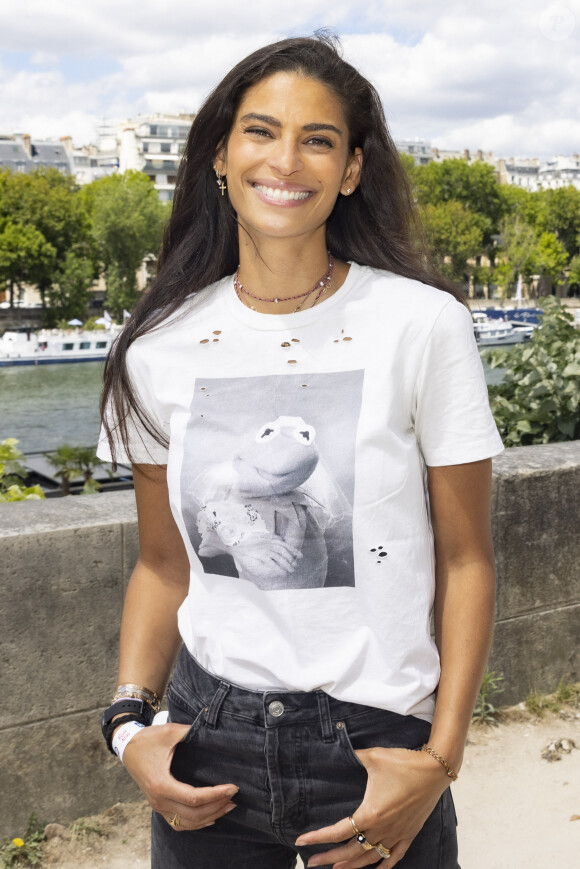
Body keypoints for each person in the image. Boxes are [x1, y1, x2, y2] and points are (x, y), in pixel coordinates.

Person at [98, 33, 504, 869]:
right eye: (260, 130)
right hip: (205, 747)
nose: (287, 159)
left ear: (351, 169)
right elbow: (162, 566)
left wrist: (439, 758)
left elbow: (466, 560)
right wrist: (128, 728)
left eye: (317, 139)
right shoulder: (158, 347)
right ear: (219, 153)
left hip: (376, 749)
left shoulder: (423, 325)